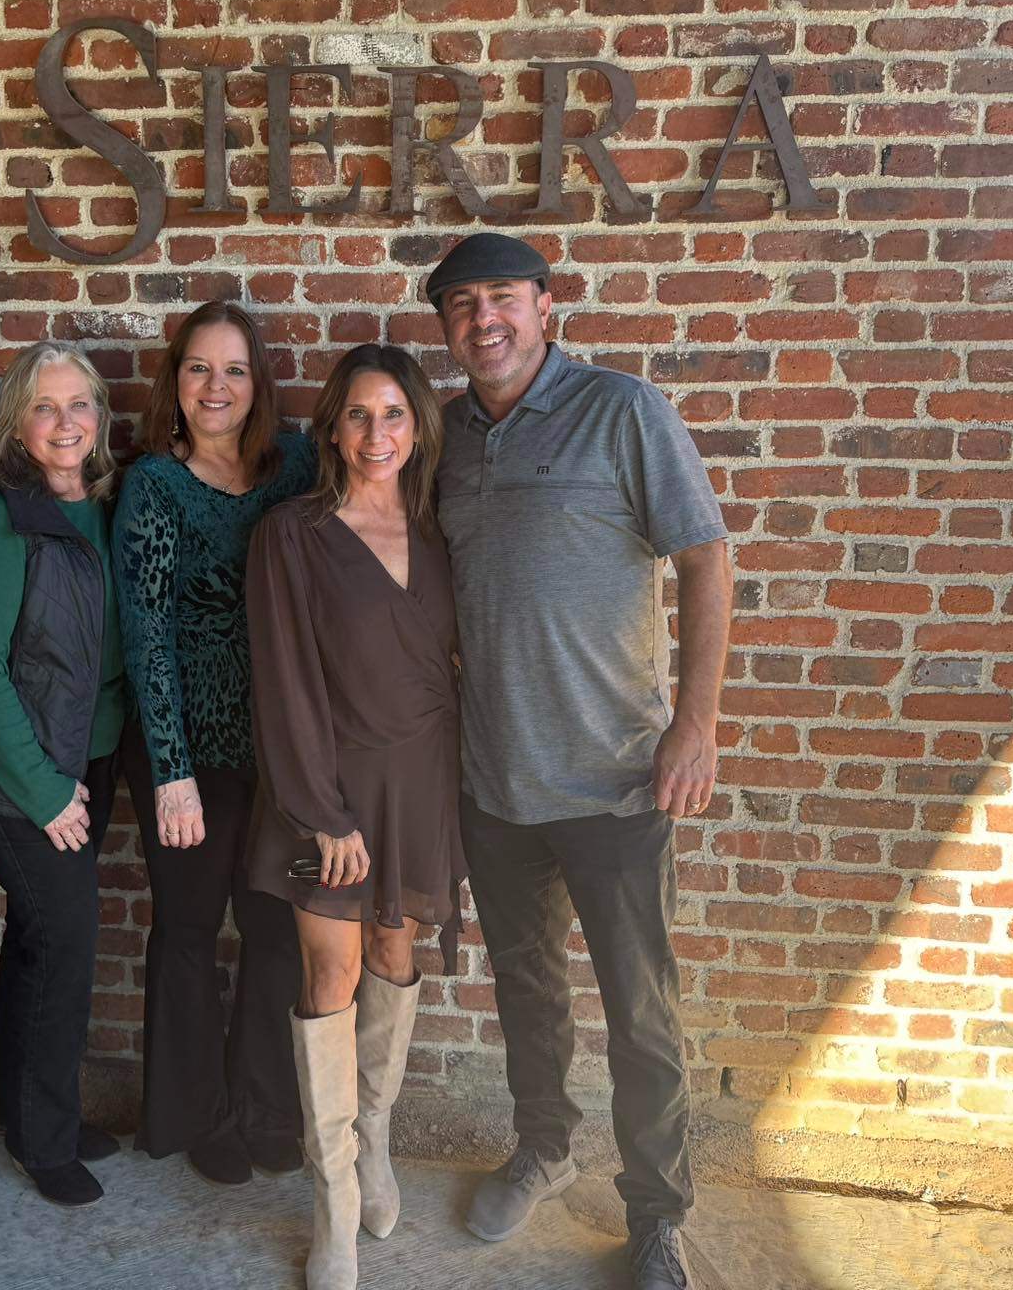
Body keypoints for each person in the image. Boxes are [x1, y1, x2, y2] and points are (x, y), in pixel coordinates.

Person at [428, 233, 732, 1290]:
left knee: (639, 1012)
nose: (483, 320)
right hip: (494, 781)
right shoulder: (442, 437)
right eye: (461, 305)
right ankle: (544, 1149)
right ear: (446, 326)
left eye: (501, 298)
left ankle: (655, 1214)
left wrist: (694, 725)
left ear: (545, 306)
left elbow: (705, 558)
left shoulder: (623, 410)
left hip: (616, 780)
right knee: (526, 989)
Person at [245, 343, 466, 1290]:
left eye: (395, 415)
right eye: (359, 415)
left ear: (418, 428)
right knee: (330, 970)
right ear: (332, 429)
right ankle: (333, 1197)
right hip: (325, 787)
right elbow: (283, 679)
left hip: (421, 783)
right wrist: (322, 812)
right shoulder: (291, 534)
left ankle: (374, 1140)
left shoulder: (442, 530)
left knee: (392, 952)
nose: (378, 433)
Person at [111, 301, 315, 1183]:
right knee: (190, 929)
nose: (216, 386)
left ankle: (269, 1108)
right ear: (176, 381)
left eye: (234, 369)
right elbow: (146, 633)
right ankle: (200, 1117)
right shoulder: (155, 485)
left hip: (281, 751)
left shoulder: (297, 467)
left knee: (275, 931)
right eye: (199, 368)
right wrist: (172, 771)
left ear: (258, 382)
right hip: (186, 750)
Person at [0, 341, 135, 1208]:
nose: (64, 422)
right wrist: (46, 790)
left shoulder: (108, 509)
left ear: (100, 417)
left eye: (79, 403)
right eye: (44, 407)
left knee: (40, 940)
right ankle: (45, 1142)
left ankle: (30, 1114)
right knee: (66, 941)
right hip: (18, 773)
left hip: (91, 757)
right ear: (16, 425)